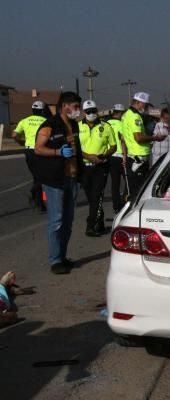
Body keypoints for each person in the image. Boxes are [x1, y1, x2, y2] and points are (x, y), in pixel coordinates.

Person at [34, 91, 83, 274]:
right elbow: (39, 148)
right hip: (55, 179)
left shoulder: (73, 125)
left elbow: (78, 148)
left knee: (68, 221)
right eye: (75, 107)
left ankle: (62, 256)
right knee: (56, 221)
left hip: (71, 178)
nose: (78, 111)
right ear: (64, 106)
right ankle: (55, 260)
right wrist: (57, 153)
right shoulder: (50, 125)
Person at [79, 100, 116, 236]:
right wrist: (88, 156)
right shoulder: (77, 127)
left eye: (93, 111)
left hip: (100, 167)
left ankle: (90, 226)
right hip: (84, 167)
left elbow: (113, 146)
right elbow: (75, 147)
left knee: (96, 196)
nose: (91, 114)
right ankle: (99, 221)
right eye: (88, 112)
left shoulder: (105, 126)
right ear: (84, 112)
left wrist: (104, 156)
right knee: (91, 198)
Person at [121, 92, 165, 198]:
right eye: (145, 105)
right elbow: (138, 138)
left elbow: (123, 139)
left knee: (131, 191)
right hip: (138, 160)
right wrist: (155, 137)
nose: (146, 108)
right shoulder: (135, 116)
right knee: (138, 193)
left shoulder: (126, 115)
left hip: (132, 158)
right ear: (138, 102)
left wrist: (124, 156)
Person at [12, 100, 48, 211]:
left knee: (37, 176)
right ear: (42, 111)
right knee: (41, 177)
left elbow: (14, 135)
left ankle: (36, 198)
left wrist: (21, 142)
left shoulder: (24, 121)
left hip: (29, 152)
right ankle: (39, 203)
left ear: (32, 110)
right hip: (41, 150)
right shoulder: (46, 121)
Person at [107, 104, 127, 214]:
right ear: (120, 113)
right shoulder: (121, 124)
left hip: (110, 156)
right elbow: (123, 140)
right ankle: (124, 203)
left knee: (115, 184)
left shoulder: (107, 123)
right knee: (128, 182)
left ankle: (116, 206)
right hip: (121, 156)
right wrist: (125, 156)